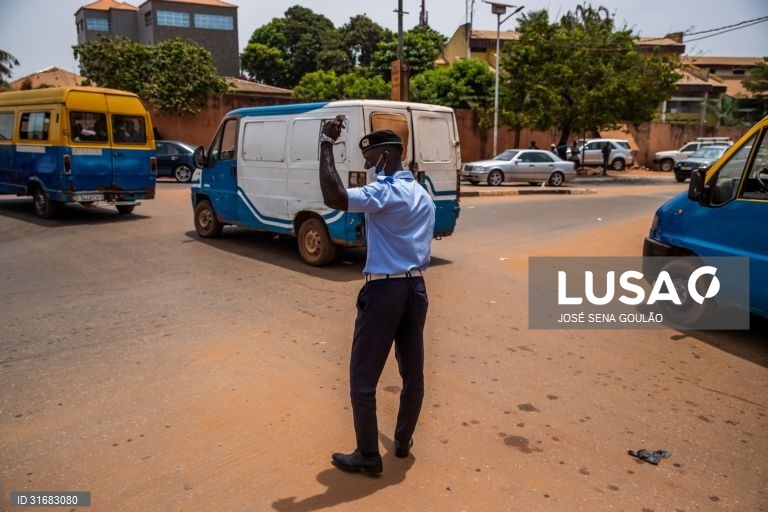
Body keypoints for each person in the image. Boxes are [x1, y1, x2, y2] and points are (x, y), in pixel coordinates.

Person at [319, 115, 435, 475]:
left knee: (362, 379)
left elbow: (334, 196)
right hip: (416, 288)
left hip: (385, 290)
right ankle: (402, 440)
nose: (367, 167)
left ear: (385, 157)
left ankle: (368, 455)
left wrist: (326, 145)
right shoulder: (421, 193)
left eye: (370, 160)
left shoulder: (385, 192)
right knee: (412, 373)